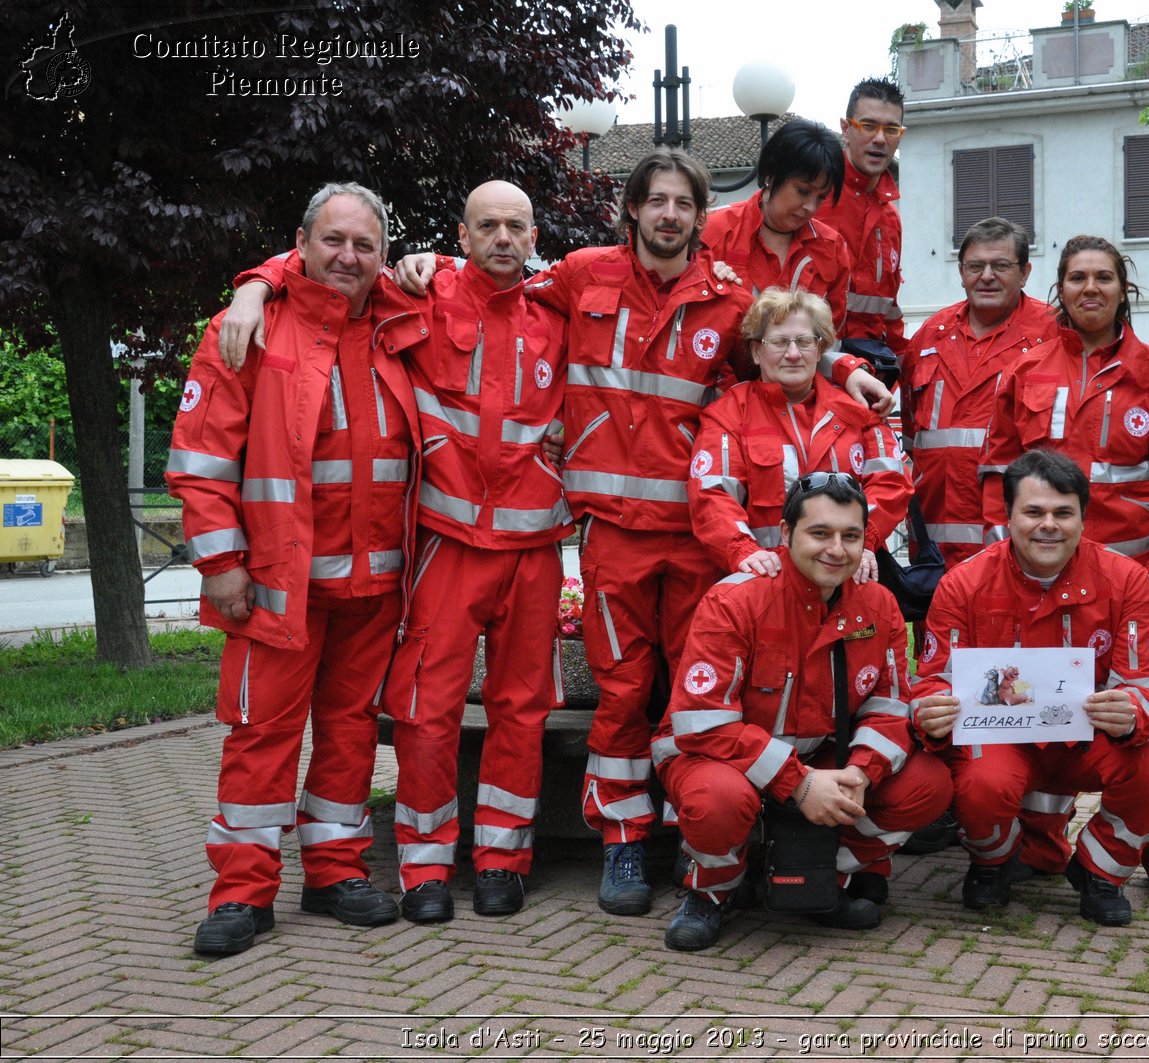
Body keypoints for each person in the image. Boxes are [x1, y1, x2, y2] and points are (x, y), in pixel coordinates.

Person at [400, 149, 890, 916]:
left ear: (701, 217)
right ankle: (624, 843)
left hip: (698, 538)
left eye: (683, 204)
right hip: (613, 534)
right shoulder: (578, 275)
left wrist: (847, 364)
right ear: (633, 209)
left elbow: (786, 338)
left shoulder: (728, 295)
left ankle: (702, 840)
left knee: (693, 692)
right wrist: (425, 260)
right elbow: (492, 289)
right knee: (624, 692)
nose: (668, 214)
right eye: (655, 200)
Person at [220, 182, 571, 924]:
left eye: (515, 225)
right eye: (486, 225)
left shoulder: (552, 308)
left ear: (534, 233)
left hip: (457, 561)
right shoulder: (415, 297)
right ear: (460, 233)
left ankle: (486, 859)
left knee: (475, 715)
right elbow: (326, 268)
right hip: (413, 549)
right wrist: (254, 285)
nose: (502, 237)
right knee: (414, 713)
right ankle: (412, 867)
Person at [168, 183, 425, 955]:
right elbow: (202, 460)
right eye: (333, 240)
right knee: (261, 735)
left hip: (375, 588)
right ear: (301, 244)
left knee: (348, 735)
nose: (348, 256)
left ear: (384, 255)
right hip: (278, 585)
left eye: (366, 244)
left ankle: (335, 869)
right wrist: (220, 562)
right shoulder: (246, 327)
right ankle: (242, 892)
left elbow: (487, 270)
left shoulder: (403, 321)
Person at [980, 236, 1149, 900]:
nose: (1090, 288)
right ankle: (1043, 844)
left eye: (1103, 277)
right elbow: (997, 473)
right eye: (1076, 277)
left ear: (1122, 289)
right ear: (1059, 287)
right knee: (1044, 705)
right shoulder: (1024, 370)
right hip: (1046, 583)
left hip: (1138, 583)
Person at [653, 473, 953, 950]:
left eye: (850, 536)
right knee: (718, 800)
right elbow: (702, 723)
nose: (836, 549)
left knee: (927, 784)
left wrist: (861, 772)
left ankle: (823, 879)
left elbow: (890, 706)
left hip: (821, 753)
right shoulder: (735, 600)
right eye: (820, 533)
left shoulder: (879, 606)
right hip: (716, 755)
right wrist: (801, 783)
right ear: (786, 534)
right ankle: (714, 890)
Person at [914, 450, 1149, 926]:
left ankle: (1101, 870)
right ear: (1008, 516)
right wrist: (927, 708)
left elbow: (1148, 681)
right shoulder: (962, 585)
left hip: (1089, 739)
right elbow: (933, 675)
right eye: (1033, 512)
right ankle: (993, 861)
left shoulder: (1126, 581)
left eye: (1063, 512)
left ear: (1083, 516)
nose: (1048, 525)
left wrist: (1133, 710)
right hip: (1004, 740)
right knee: (980, 785)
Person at [688, 288, 911, 583]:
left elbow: (891, 480)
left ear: (819, 350)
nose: (793, 354)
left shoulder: (857, 409)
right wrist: (743, 552)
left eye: (804, 342)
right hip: (766, 581)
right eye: (779, 342)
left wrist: (862, 542)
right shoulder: (729, 414)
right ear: (756, 351)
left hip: (845, 578)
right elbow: (711, 495)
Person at [904, 217, 1057, 567]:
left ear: (1025, 272)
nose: (986, 275)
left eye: (1001, 265)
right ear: (961, 272)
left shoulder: (1054, 333)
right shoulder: (930, 336)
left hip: (1018, 541)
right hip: (933, 548)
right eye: (976, 266)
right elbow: (913, 436)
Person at [700, 119, 852, 339]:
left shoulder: (831, 247)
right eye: (802, 191)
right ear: (770, 175)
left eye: (821, 197)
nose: (810, 206)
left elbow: (831, 336)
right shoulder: (714, 231)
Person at [814, 77, 910, 375]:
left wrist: (905, 362)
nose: (880, 139)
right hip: (810, 370)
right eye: (868, 126)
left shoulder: (891, 218)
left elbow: (889, 307)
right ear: (846, 128)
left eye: (891, 129)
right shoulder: (815, 196)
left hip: (867, 371)